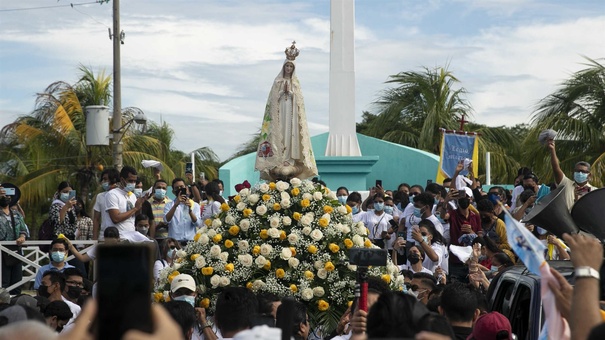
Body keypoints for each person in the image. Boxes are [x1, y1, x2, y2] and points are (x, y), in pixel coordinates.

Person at [255, 42, 317, 181]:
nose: (288, 68)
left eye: (290, 67)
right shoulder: (277, 82)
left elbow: (300, 103)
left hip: (292, 115)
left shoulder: (296, 84)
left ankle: (289, 158)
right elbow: (272, 100)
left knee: (291, 135)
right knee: (280, 134)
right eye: (287, 66)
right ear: (283, 67)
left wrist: (292, 94)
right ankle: (280, 157)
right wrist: (282, 94)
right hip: (280, 113)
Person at [547, 139, 598, 209]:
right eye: (578, 171)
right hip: (565, 219)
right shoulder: (565, 184)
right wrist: (552, 150)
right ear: (573, 172)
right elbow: (556, 168)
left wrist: (578, 201)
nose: (580, 173)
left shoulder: (594, 191)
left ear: (589, 175)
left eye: (583, 172)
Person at [0, 187, 28, 295]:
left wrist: (22, 237)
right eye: (2, 195)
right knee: (3, 282)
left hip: (15, 251)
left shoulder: (16, 214)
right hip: (1, 252)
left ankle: (15, 307)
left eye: (7, 195)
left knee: (17, 281)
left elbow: (23, 229)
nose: (5, 197)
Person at [105, 165, 148, 234]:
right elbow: (115, 218)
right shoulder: (112, 194)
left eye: (135, 181)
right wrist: (135, 208)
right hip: (118, 237)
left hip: (131, 234)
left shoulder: (132, 196)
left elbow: (135, 217)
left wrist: (140, 204)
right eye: (130, 181)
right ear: (122, 180)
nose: (133, 184)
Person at [164, 178, 202, 244]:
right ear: (173, 191)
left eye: (181, 187)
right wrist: (175, 205)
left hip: (191, 242)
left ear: (186, 188)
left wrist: (190, 211)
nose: (179, 189)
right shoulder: (169, 205)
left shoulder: (195, 205)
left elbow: (198, 223)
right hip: (175, 242)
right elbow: (166, 220)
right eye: (177, 188)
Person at [94, 168, 120, 240]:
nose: (103, 182)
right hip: (104, 235)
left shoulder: (121, 195)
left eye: (105, 179)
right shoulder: (100, 196)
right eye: (102, 179)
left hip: (119, 235)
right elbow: (96, 218)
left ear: (113, 179)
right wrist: (95, 237)